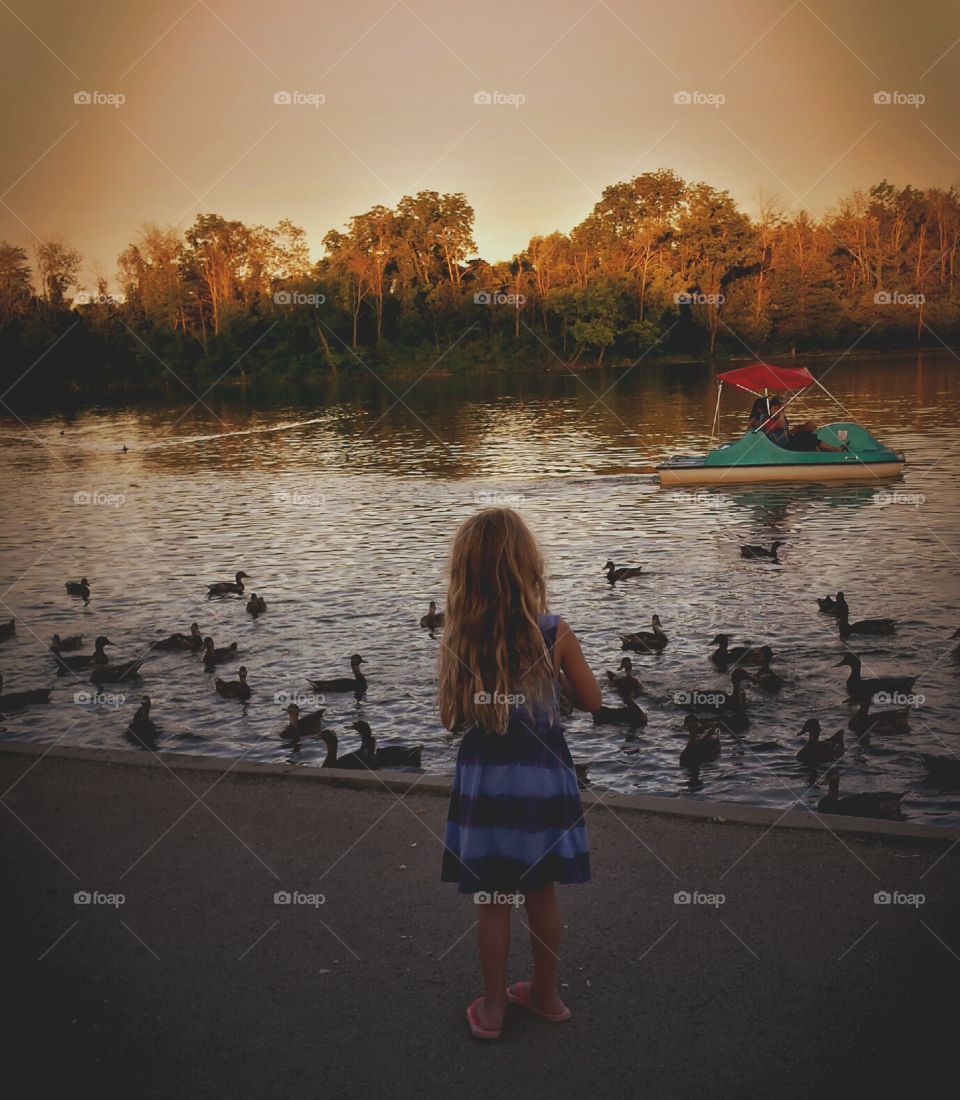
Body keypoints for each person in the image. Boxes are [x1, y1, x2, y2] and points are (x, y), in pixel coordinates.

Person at [438, 508, 601, 1040]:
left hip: (489, 785)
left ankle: (492, 1008)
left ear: (466, 575)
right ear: (528, 567)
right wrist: (562, 689)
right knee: (543, 893)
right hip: (544, 782)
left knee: (493, 901)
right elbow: (594, 701)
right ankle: (547, 996)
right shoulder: (553, 632)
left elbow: (451, 717)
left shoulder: (461, 638)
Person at [764, 396, 845, 452]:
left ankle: (832, 450)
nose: (777, 411)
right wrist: (781, 411)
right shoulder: (768, 421)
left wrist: (796, 429)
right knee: (804, 437)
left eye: (778, 408)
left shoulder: (778, 418)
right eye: (775, 408)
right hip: (782, 448)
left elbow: (784, 431)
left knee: (807, 434)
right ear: (769, 410)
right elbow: (781, 425)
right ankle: (830, 451)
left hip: (788, 442)